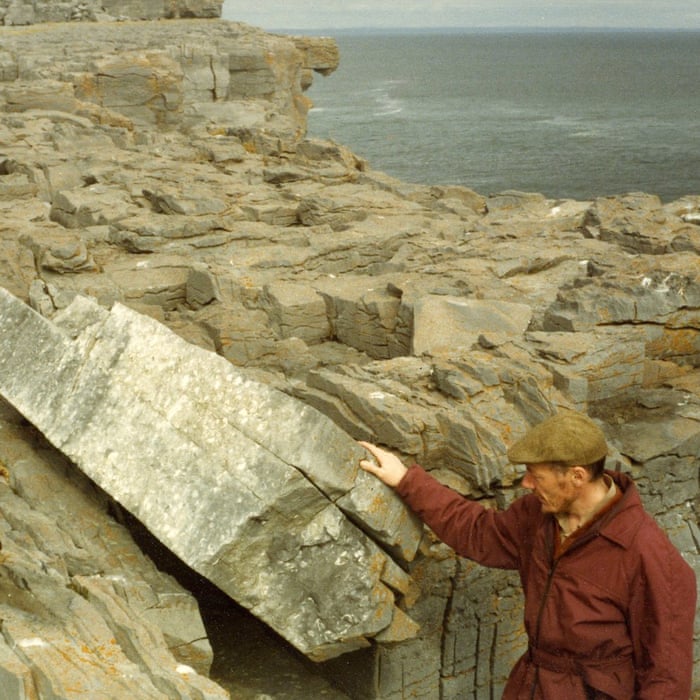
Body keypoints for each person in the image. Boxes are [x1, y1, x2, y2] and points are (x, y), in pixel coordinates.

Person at [359, 410, 697, 699]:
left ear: (577, 476)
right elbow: (478, 531)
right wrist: (406, 480)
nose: (526, 485)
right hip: (532, 686)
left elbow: (665, 681)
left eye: (536, 476)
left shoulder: (650, 558)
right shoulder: (538, 515)